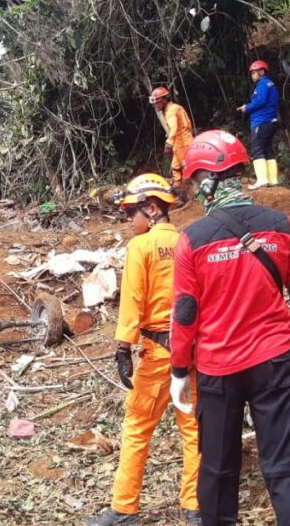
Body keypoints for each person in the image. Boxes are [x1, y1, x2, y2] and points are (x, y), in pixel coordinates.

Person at [169, 129, 290, 526]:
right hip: (275, 362)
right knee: (286, 467)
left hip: (219, 369)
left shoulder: (193, 239)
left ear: (207, 180)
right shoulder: (280, 224)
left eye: (195, 182)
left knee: (219, 470)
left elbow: (185, 313)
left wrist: (178, 369)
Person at [88, 174, 200, 526]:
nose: (128, 221)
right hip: (192, 352)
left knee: (137, 427)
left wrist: (123, 348)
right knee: (194, 429)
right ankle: (194, 506)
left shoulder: (141, 247)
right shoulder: (189, 241)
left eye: (131, 213)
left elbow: (133, 301)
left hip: (156, 354)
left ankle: (124, 509)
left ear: (151, 209)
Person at [236, 60, 281, 189]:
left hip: (261, 121)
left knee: (257, 149)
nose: (252, 76)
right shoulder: (271, 85)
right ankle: (272, 179)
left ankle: (262, 180)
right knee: (267, 149)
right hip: (271, 121)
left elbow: (260, 101)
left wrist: (247, 107)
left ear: (261, 72)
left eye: (254, 73)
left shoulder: (262, 84)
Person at [149, 86, 194, 201]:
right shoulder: (174, 108)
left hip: (182, 141)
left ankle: (186, 195)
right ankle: (177, 189)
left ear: (163, 100)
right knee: (176, 167)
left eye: (157, 103)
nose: (155, 106)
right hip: (179, 141)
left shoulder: (171, 111)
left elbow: (174, 128)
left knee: (186, 167)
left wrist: (169, 141)